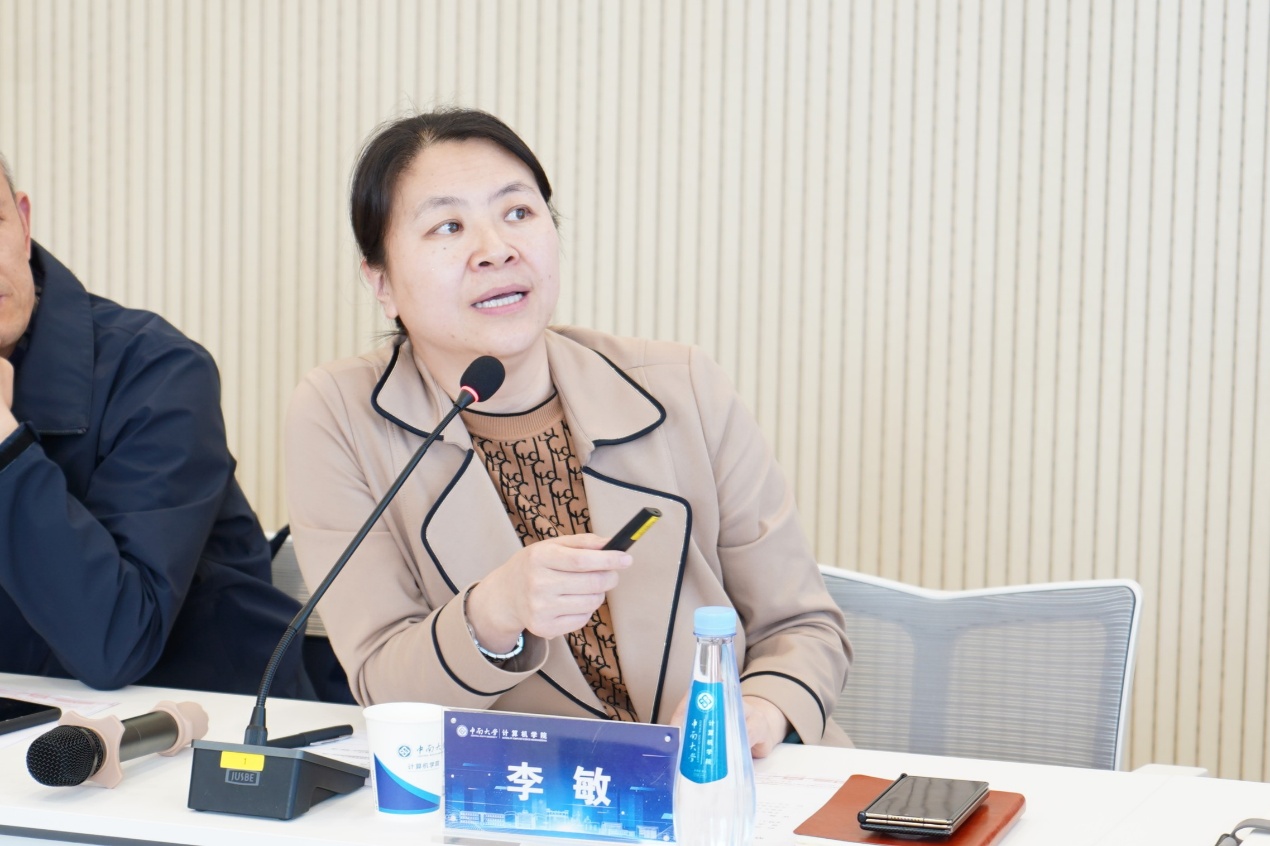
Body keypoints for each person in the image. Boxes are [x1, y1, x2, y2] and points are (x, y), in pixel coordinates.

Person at [285, 108, 851, 754]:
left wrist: (760, 711)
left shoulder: (684, 385)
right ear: (381, 282)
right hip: (528, 790)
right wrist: (493, 612)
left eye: (519, 212)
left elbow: (803, 626)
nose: (497, 248)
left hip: (731, 782)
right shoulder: (338, 415)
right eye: (448, 226)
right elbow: (384, 687)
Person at [0, 153, 304, 696]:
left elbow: (115, 644)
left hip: (206, 727)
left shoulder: (158, 371)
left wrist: (5, 449)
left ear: (23, 224)